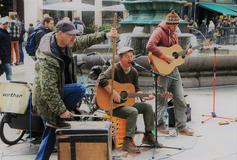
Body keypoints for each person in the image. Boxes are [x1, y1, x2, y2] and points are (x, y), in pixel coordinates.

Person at [33, 19, 116, 160]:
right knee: (79, 90)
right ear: (59, 34)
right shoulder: (48, 57)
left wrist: (106, 35)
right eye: (71, 34)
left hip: (59, 92)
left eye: (75, 34)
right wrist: (61, 110)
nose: (74, 37)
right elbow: (48, 89)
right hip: (47, 100)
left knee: (51, 130)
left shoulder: (65, 43)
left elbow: (84, 40)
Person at [98, 47, 161, 153]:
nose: (130, 58)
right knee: (133, 111)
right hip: (112, 106)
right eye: (127, 56)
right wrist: (113, 92)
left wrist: (144, 96)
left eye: (131, 56)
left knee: (147, 107)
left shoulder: (134, 72)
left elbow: (136, 90)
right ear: (120, 58)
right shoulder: (114, 68)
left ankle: (148, 136)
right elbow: (101, 79)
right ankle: (127, 142)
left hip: (127, 104)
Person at [146, 10, 194, 136]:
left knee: (180, 99)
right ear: (168, 24)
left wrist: (185, 54)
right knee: (162, 99)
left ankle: (181, 127)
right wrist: (164, 57)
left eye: (177, 24)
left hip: (173, 70)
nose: (176, 27)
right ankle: (159, 125)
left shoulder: (174, 34)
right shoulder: (159, 31)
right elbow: (150, 46)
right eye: (174, 25)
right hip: (161, 71)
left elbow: (176, 54)